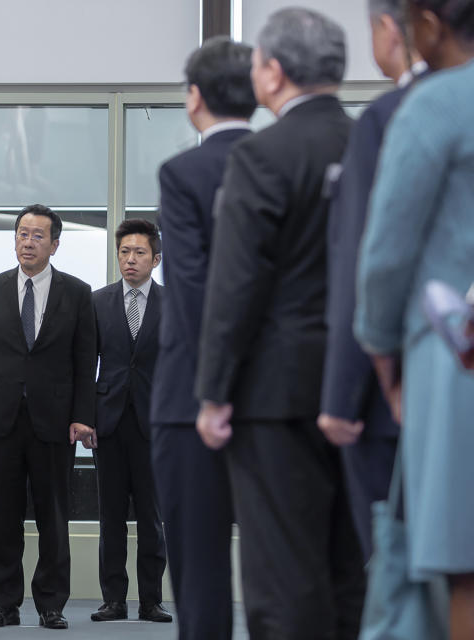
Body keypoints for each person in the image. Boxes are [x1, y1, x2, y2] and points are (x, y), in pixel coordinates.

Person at [194, 8, 366, 638]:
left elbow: (236, 281)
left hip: (275, 393)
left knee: (281, 575)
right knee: (350, 565)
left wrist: (214, 391)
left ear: (274, 71)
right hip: (363, 384)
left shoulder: (263, 154)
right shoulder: (370, 142)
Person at [355, 1, 474, 635]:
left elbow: (385, 254)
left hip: (456, 358)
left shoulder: (431, 105)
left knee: (463, 565)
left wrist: (381, 351)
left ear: (427, 24)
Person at [149, 36, 256, 640]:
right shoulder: (285, 159)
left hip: (193, 396)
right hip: (280, 393)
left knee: (199, 568)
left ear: (194, 99)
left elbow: (189, 292)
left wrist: (214, 390)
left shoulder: (185, 172)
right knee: (282, 565)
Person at [318, 0, 425, 560]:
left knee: (400, 566)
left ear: (391, 29)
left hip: (403, 391)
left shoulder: (391, 118)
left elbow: (368, 265)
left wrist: (341, 395)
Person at [0, 204, 96, 630]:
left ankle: (51, 604)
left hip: (55, 420)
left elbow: (84, 360)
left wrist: (82, 416)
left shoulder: (77, 292)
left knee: (53, 517)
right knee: (1, 518)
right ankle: (4, 603)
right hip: (2, 416)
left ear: (55, 244)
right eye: (22, 233)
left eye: (38, 235)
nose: (28, 241)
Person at [90, 219, 170, 624]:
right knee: (111, 517)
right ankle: (114, 600)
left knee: (152, 518)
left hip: (155, 423)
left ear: (156, 259)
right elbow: (84, 364)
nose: (130, 259)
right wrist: (84, 419)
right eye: (124, 252)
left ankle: (152, 600)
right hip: (108, 422)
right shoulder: (98, 301)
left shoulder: (172, 302)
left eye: (139, 253)